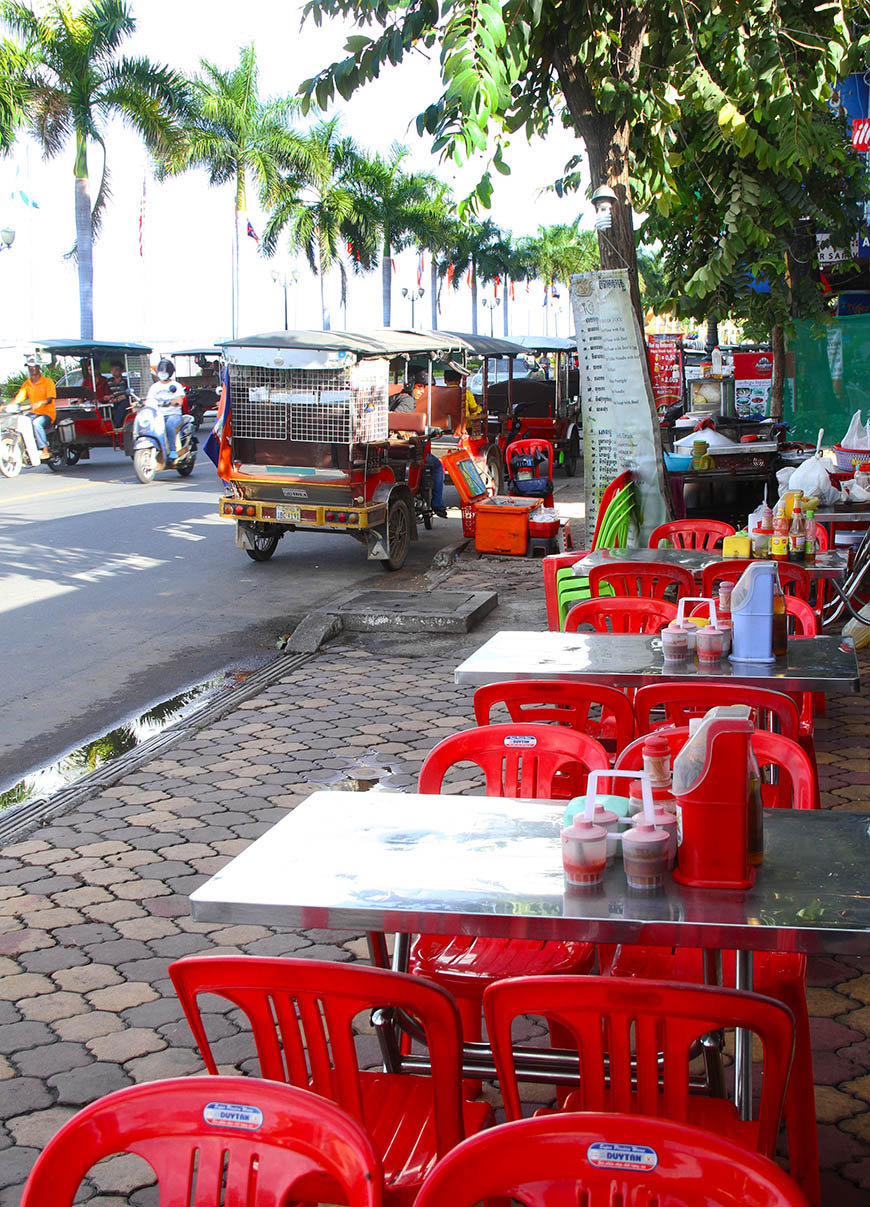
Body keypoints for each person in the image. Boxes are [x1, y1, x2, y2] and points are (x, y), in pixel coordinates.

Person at [389, 372, 447, 517]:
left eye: (423, 387)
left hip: (392, 448)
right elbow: (396, 419)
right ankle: (437, 503)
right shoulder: (407, 400)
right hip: (403, 450)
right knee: (438, 466)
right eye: (419, 387)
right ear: (411, 386)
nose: (422, 391)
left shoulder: (397, 397)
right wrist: (402, 430)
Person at [10, 357, 56, 459]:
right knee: (19, 421)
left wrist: (40, 403)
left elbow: (49, 399)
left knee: (36, 423)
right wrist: (7, 406)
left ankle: (45, 450)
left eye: (34, 366)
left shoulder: (47, 382)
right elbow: (18, 398)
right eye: (29, 367)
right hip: (32, 413)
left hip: (46, 414)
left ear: (38, 367)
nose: (31, 369)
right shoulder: (27, 384)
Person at [143, 358, 185, 456]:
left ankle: (172, 450)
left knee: (169, 425)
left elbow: (179, 401)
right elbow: (149, 399)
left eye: (165, 372)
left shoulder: (175, 385)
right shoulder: (154, 387)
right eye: (160, 371)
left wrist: (173, 402)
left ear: (170, 373)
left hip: (173, 414)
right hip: (157, 415)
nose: (162, 373)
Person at [107, 360, 130, 430]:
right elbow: (107, 393)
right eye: (112, 370)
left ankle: (116, 426)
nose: (114, 372)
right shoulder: (108, 381)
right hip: (112, 401)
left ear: (121, 371)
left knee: (123, 405)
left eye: (116, 370)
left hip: (123, 400)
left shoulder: (126, 380)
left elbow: (128, 393)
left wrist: (119, 398)